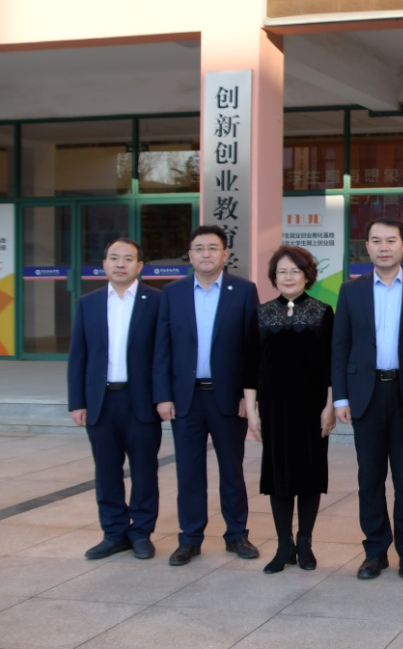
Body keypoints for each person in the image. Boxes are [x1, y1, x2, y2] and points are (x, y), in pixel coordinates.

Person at [331, 218, 403, 580]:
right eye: (376, 241)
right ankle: (375, 551)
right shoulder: (351, 291)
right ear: (367, 247)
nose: (384, 247)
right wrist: (340, 398)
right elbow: (340, 346)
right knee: (370, 478)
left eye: (391, 240)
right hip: (366, 394)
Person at [154, 224, 261, 566]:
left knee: (232, 470)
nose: (206, 254)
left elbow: (252, 348)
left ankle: (237, 534)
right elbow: (163, 349)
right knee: (189, 473)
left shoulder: (243, 290)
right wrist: (163, 395)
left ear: (224, 254)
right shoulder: (172, 293)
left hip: (228, 398)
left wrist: (249, 396)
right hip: (186, 398)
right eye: (199, 248)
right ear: (190, 254)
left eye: (213, 248)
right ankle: (189, 538)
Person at [67, 238, 162, 561]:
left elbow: (163, 354)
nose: (120, 264)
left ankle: (141, 532)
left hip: (141, 401)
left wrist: (163, 397)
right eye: (114, 258)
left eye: (128, 258)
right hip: (101, 401)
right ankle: (113, 532)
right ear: (104, 264)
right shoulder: (88, 303)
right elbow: (78, 356)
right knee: (106, 470)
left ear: (140, 265)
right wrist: (77, 401)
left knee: (145, 470)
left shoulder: (156, 301)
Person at [244, 245, 335, 574]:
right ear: (274, 277)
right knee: (278, 475)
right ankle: (284, 546)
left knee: (310, 475)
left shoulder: (323, 312)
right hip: (274, 408)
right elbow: (250, 366)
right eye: (282, 271)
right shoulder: (262, 313)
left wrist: (330, 406)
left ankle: (305, 543)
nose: (288, 277)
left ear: (307, 275)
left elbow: (332, 364)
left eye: (295, 271)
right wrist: (252, 411)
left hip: (312, 408)